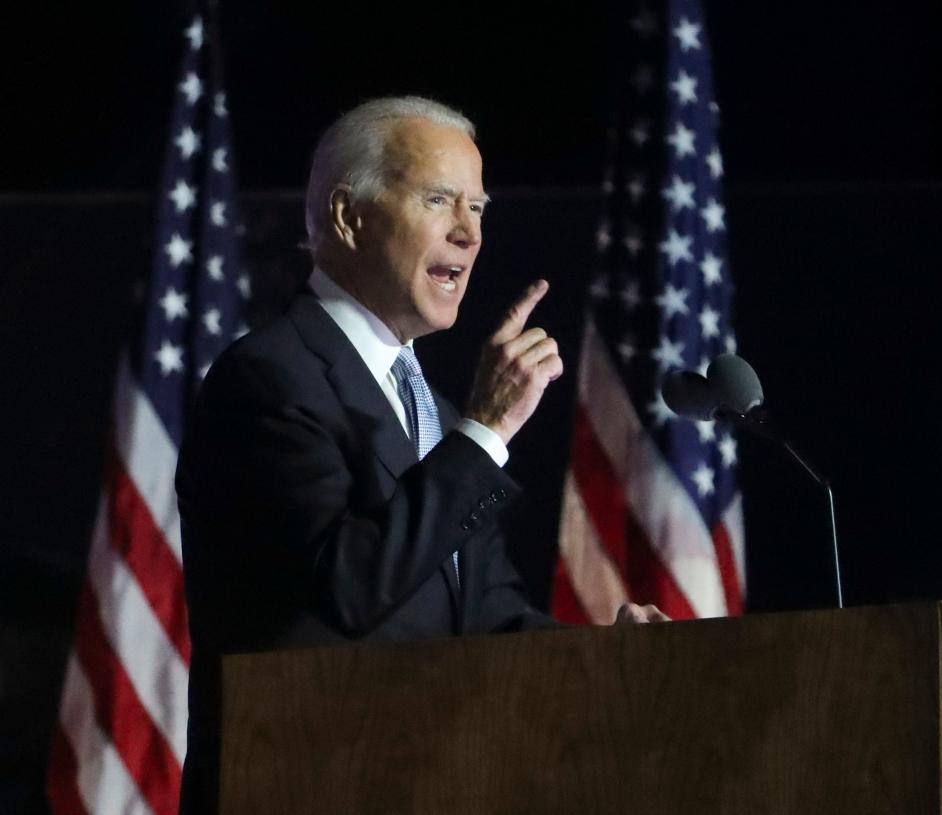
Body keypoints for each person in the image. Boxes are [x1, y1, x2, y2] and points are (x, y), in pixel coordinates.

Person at [175, 96, 665, 813]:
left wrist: (601, 654)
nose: (469, 233)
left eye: (479, 207)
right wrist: (487, 431)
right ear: (348, 216)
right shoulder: (270, 377)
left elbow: (487, 616)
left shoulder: (430, 409)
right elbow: (348, 586)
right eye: (440, 200)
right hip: (302, 782)